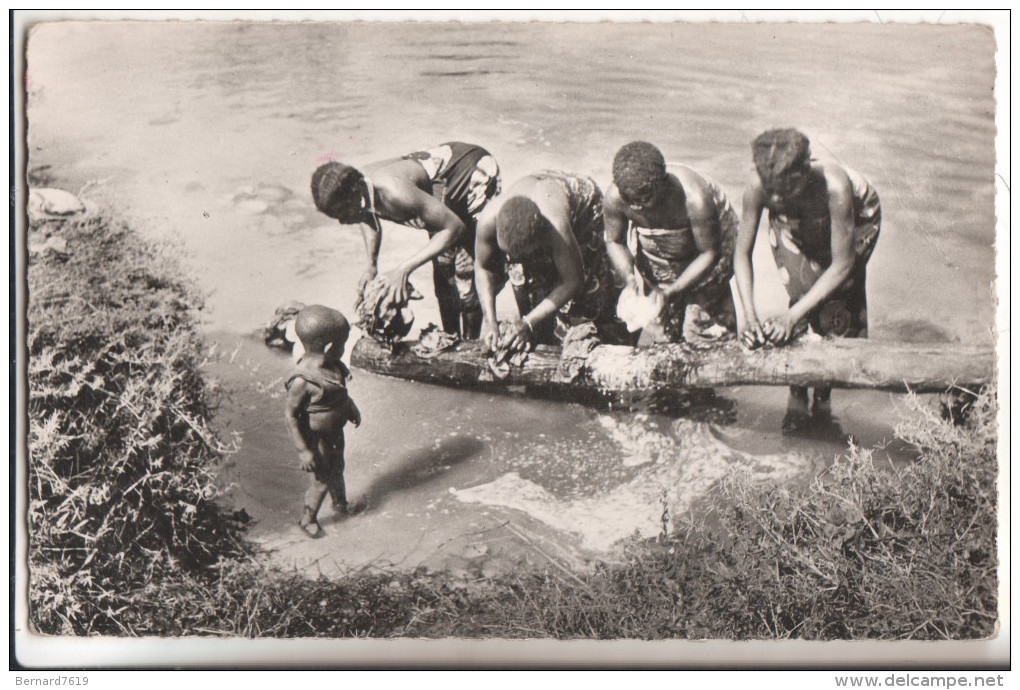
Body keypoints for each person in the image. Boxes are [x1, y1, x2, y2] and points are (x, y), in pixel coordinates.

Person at [733, 128, 881, 433]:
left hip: (857, 213)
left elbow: (842, 265)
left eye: (783, 191)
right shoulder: (762, 185)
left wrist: (789, 316)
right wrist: (748, 317)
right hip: (798, 214)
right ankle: (797, 391)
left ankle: (823, 395)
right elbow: (741, 255)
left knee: (839, 302)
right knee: (801, 286)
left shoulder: (835, 185)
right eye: (770, 190)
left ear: (805, 169)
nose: (774, 199)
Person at [311, 142, 500, 338]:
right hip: (440, 192)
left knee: (466, 273)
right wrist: (371, 265)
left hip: (472, 174)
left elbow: (455, 228)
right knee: (444, 276)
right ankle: (451, 338)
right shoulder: (359, 188)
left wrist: (403, 270)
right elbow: (367, 216)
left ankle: (471, 343)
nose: (342, 222)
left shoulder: (394, 191)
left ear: (354, 198)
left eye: (342, 214)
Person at [474, 171, 629, 353]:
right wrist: (490, 320)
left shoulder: (556, 227)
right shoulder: (487, 220)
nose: (514, 261)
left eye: (524, 255)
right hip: (540, 193)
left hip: (583, 211)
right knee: (525, 287)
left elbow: (573, 281)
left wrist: (527, 322)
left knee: (591, 297)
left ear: (540, 239)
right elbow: (483, 268)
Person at [604, 141, 739, 343]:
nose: (636, 208)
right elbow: (615, 242)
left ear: (662, 185)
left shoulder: (694, 198)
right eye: (630, 201)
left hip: (710, 254)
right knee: (662, 332)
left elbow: (709, 253)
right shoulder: (617, 197)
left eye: (643, 201)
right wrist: (630, 280)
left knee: (708, 334)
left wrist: (673, 290)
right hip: (659, 253)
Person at [284, 305, 362, 538]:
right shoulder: (303, 380)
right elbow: (290, 415)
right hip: (314, 439)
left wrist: (351, 407)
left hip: (334, 434)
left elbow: (339, 393)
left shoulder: (333, 366)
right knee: (320, 481)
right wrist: (303, 451)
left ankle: (340, 504)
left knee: (338, 468)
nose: (344, 349)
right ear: (330, 347)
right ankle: (307, 520)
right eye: (343, 344)